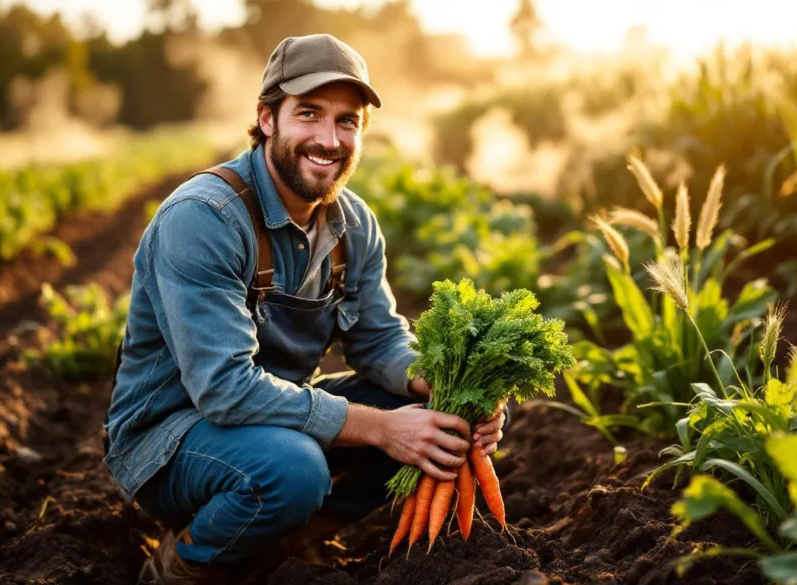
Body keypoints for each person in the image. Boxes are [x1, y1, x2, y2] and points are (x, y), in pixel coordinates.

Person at [102, 33, 508, 585]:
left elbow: (378, 340)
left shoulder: (353, 223)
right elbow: (223, 388)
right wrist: (380, 429)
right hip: (170, 441)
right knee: (294, 468)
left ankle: (292, 538)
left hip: (272, 423)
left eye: (347, 121)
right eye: (309, 114)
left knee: (445, 422)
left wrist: (436, 386)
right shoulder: (205, 219)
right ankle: (182, 565)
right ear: (267, 118)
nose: (328, 139)